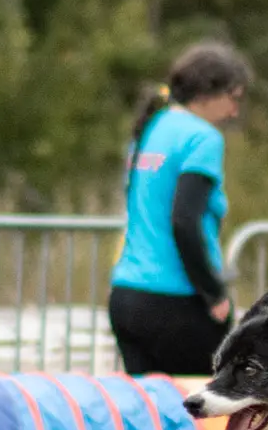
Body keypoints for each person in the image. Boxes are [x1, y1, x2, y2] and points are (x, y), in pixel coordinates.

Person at [108, 42, 253, 376]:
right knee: (203, 418)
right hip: (177, 301)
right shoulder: (202, 138)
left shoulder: (150, 128)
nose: (234, 111)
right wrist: (215, 295)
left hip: (127, 297)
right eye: (234, 98)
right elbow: (184, 222)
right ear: (207, 92)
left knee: (150, 420)